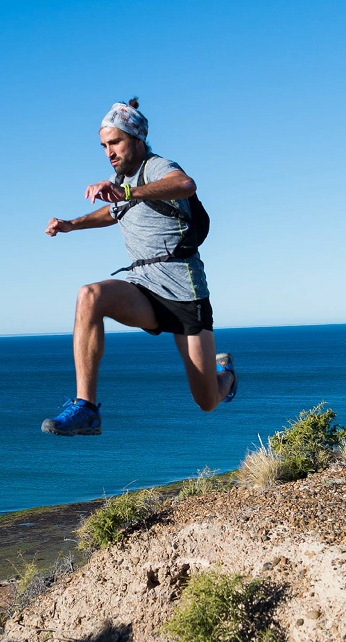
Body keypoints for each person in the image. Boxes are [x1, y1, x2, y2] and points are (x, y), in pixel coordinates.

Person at [41, 98, 237, 436]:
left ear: (137, 139)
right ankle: (86, 408)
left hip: (184, 291)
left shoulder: (157, 167)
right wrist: (72, 224)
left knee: (206, 400)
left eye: (114, 142)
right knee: (90, 296)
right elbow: (111, 212)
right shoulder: (121, 180)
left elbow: (186, 184)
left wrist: (127, 191)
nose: (108, 152)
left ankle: (228, 374)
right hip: (143, 285)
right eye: (103, 145)